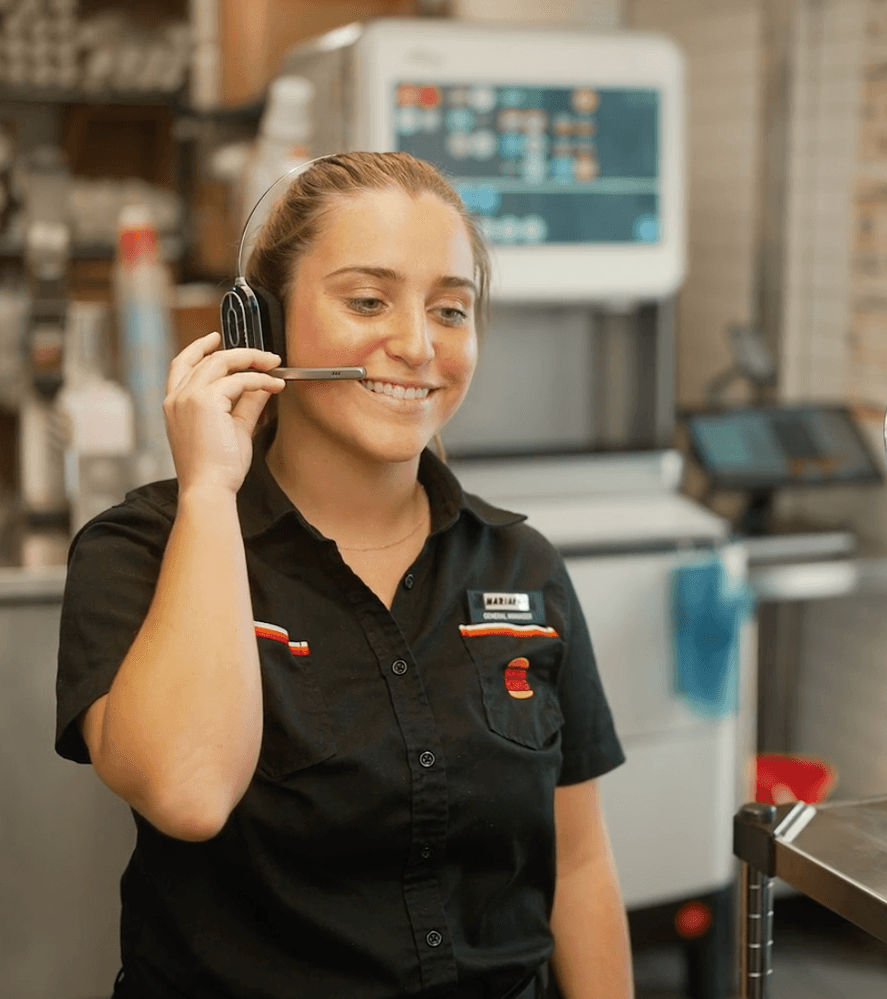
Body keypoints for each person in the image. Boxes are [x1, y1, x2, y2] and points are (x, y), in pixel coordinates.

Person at [54, 151, 633, 999]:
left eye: (450, 309)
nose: (416, 345)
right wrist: (211, 487)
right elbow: (188, 790)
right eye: (367, 300)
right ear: (264, 326)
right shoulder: (140, 548)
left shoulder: (523, 567)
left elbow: (579, 864)